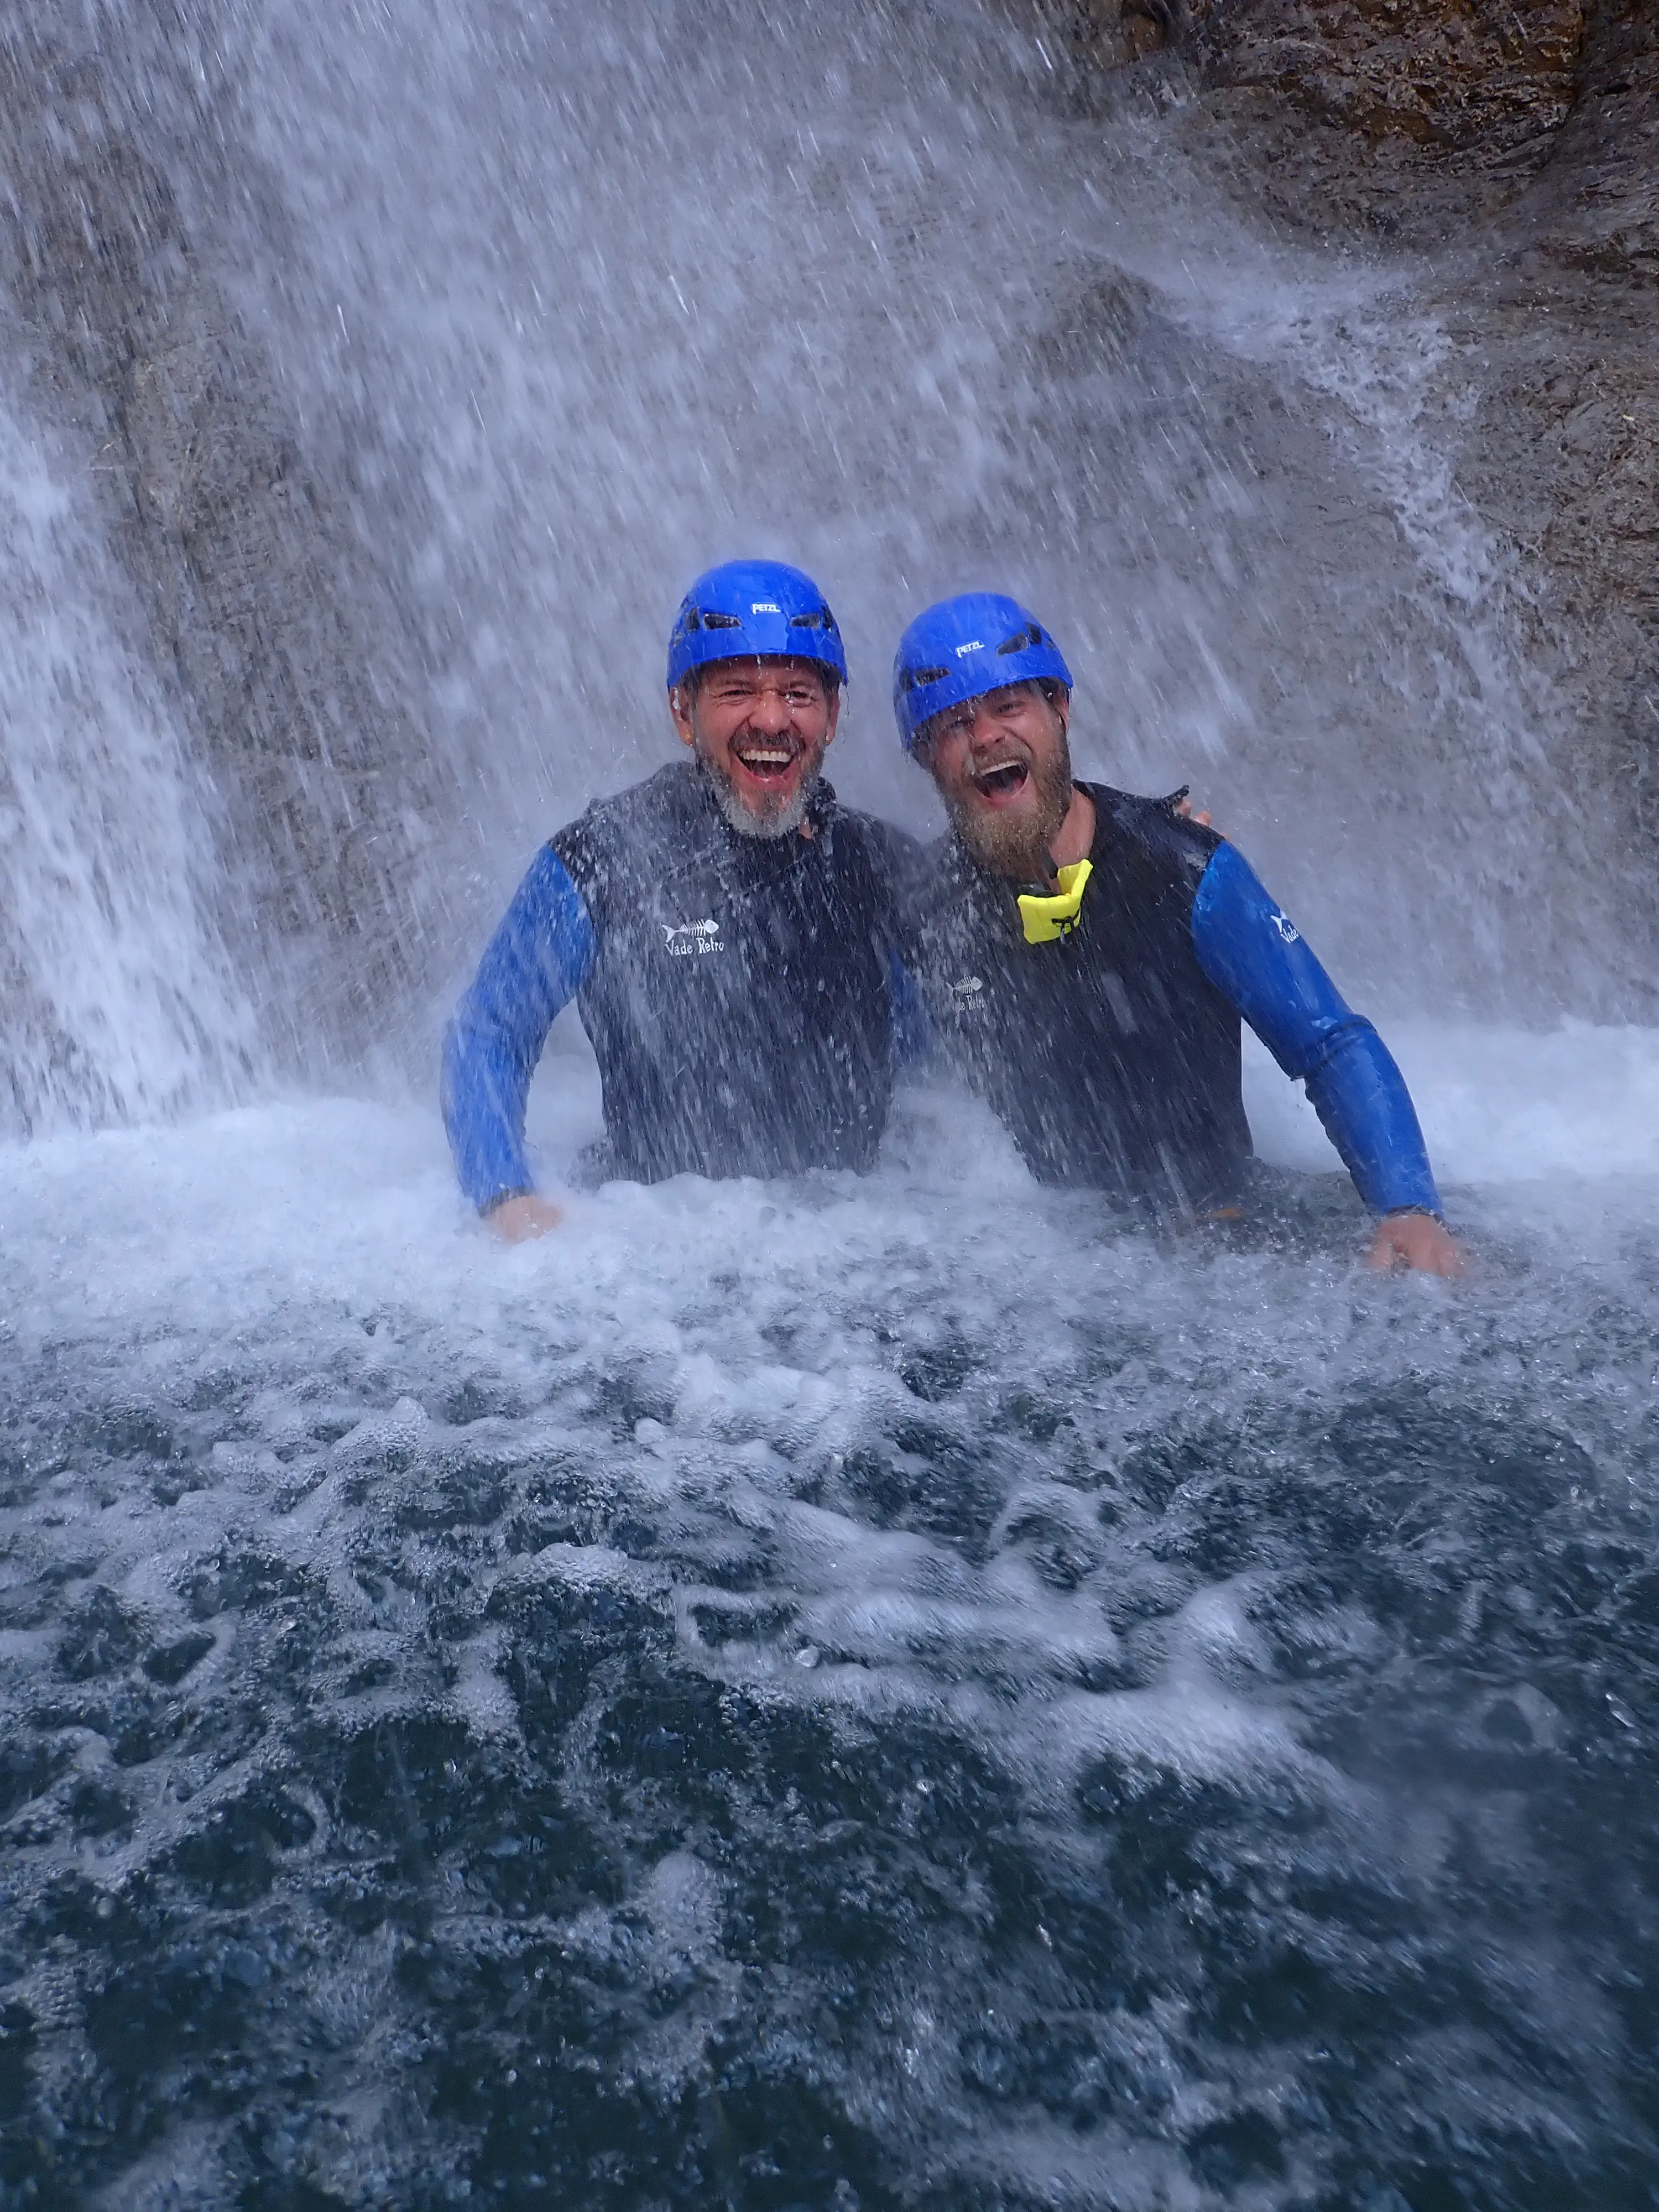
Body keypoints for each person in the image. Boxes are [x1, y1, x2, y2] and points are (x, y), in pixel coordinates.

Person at [891, 592, 1463, 1276]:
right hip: (1036, 1265)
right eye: (954, 724)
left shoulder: (1185, 868)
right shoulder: (922, 915)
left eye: (1009, 707)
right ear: (927, 756)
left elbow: (1329, 1044)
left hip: (1221, 1247)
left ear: (1060, 710)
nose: (986, 737)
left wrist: (1407, 1208)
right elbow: (915, 1099)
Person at [442, 559, 917, 1238]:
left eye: (798, 693)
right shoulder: (603, 860)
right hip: (659, 1257)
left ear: (833, 715)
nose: (771, 718)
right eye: (737, 691)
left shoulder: (876, 865)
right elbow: (489, 1034)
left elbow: (937, 1052)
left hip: (846, 1248)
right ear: (683, 712)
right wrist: (505, 1195)